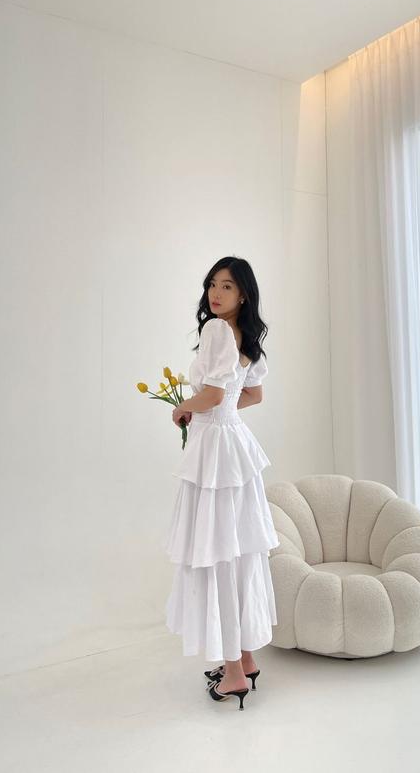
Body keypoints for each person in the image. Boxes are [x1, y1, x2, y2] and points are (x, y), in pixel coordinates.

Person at [164, 256, 280, 710]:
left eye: (227, 286)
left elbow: (212, 394)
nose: (216, 293)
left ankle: (233, 673)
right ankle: (246, 659)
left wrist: (185, 408)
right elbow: (251, 394)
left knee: (218, 554)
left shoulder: (216, 331)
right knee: (238, 551)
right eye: (213, 284)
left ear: (243, 294)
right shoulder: (244, 336)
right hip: (236, 448)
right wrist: (220, 409)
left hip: (215, 453)